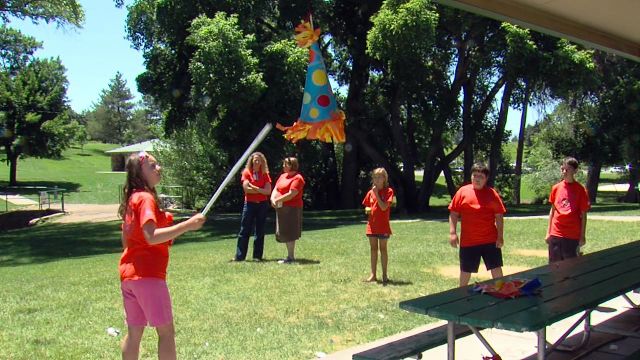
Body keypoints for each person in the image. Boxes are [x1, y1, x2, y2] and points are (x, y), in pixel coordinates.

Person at [118, 151, 205, 360]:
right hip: (148, 276)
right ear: (139, 173)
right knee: (166, 332)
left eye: (158, 164)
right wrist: (187, 225)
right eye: (152, 166)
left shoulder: (132, 199)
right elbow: (151, 236)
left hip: (129, 277)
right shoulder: (146, 199)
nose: (159, 168)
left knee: (134, 332)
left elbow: (127, 239)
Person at [448, 163, 506, 287]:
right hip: (469, 241)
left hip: (490, 239)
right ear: (471, 176)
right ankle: (461, 294)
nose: (477, 179)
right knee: (465, 270)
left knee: (496, 267)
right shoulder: (462, 192)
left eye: (481, 176)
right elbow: (453, 213)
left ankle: (501, 290)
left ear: (486, 179)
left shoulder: (492, 194)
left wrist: (500, 236)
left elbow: (499, 216)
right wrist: (453, 233)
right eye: (475, 176)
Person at [546, 157, 591, 263]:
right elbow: (552, 211)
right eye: (563, 169)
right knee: (554, 267)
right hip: (556, 234)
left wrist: (582, 236)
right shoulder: (556, 188)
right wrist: (548, 232)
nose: (564, 172)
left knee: (571, 269)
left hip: (572, 235)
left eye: (568, 169)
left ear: (575, 171)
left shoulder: (581, 190)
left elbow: (583, 215)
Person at [233, 152, 272, 261]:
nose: (257, 162)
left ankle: (257, 257)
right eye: (255, 160)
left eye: (259, 160)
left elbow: (268, 191)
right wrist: (260, 190)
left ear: (262, 162)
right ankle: (240, 256)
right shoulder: (246, 172)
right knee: (245, 230)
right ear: (251, 161)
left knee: (260, 231)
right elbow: (246, 189)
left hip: (262, 205)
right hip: (249, 204)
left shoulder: (265, 174)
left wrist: (254, 187)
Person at [362, 168, 394, 284]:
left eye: (380, 177)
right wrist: (368, 210)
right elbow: (366, 205)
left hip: (383, 226)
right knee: (373, 249)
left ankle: (385, 275)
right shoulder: (370, 193)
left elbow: (384, 207)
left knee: (383, 249)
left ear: (384, 178)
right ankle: (373, 275)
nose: (377, 179)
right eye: (375, 177)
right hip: (372, 225)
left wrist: (376, 194)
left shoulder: (388, 191)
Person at [270, 157, 305, 264]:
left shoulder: (298, 178)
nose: (283, 166)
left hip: (292, 209)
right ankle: (289, 257)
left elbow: (292, 194)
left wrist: (277, 199)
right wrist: (272, 198)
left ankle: (291, 257)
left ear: (292, 165)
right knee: (283, 231)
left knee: (290, 232)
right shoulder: (282, 176)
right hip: (281, 208)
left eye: (286, 164)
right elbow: (276, 188)